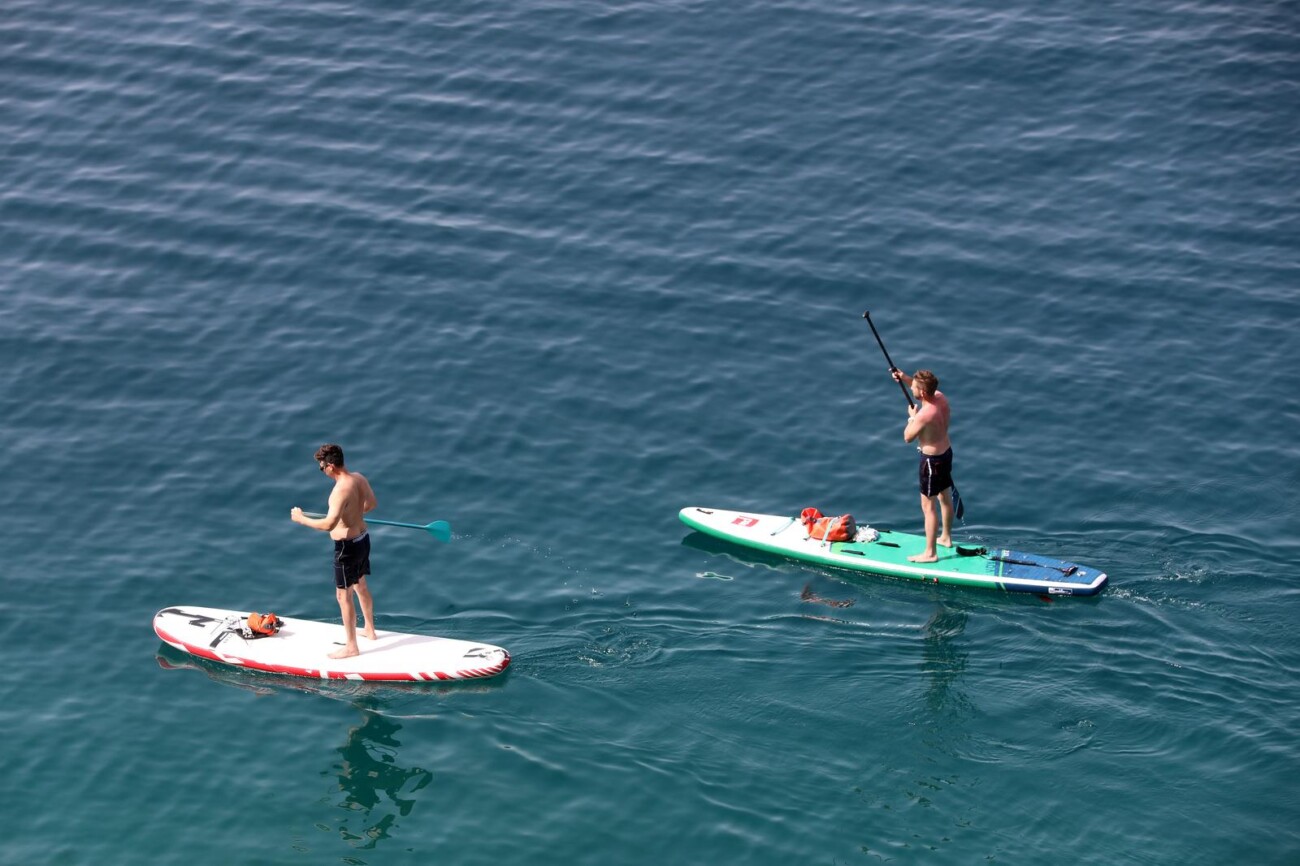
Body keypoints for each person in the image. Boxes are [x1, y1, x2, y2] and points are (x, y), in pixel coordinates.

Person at [291, 443, 378, 659]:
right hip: (363, 539)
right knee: (360, 585)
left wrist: (301, 519)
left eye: (322, 467)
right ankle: (370, 629)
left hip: (347, 548)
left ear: (331, 466)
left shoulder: (339, 491)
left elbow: (329, 524)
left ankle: (351, 647)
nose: (322, 471)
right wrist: (353, 513)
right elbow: (371, 504)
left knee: (343, 595)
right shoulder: (358, 478)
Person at [891, 368, 953, 563]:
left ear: (923, 393)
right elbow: (919, 388)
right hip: (946, 453)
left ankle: (930, 553)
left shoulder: (924, 415)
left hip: (931, 462)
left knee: (928, 506)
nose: (912, 390)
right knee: (945, 496)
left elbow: (907, 437)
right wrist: (904, 378)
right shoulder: (940, 398)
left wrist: (912, 416)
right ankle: (946, 537)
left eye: (914, 388)